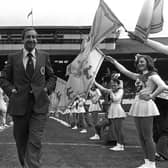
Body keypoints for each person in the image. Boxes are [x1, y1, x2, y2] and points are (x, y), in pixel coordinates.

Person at [0, 27, 56, 168]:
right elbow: (4, 79)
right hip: (19, 106)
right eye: (28, 37)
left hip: (39, 106)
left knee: (34, 141)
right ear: (22, 39)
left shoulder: (44, 56)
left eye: (34, 37)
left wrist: (46, 89)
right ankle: (26, 165)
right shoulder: (13, 58)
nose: (32, 39)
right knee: (21, 141)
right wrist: (11, 91)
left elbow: (52, 77)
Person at [105, 54, 168, 168]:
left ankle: (152, 164)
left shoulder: (152, 75)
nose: (140, 64)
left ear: (148, 62)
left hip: (146, 105)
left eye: (142, 61)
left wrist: (151, 96)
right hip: (138, 104)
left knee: (147, 136)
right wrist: (114, 62)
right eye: (139, 62)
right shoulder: (139, 76)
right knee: (141, 136)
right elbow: (125, 71)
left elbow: (163, 86)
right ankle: (147, 162)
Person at [128, 32, 168, 161]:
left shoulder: (152, 76)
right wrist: (143, 40)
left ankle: (158, 153)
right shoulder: (147, 75)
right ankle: (157, 153)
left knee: (160, 128)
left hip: (159, 98)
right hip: (161, 99)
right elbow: (163, 48)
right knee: (158, 128)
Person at [95, 79, 126, 151]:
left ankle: (121, 145)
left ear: (118, 85)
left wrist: (111, 91)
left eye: (115, 85)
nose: (113, 86)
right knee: (116, 129)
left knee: (119, 129)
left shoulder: (120, 90)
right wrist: (94, 82)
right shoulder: (112, 90)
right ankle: (118, 144)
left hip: (117, 110)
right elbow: (103, 89)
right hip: (113, 109)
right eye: (112, 85)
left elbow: (116, 99)